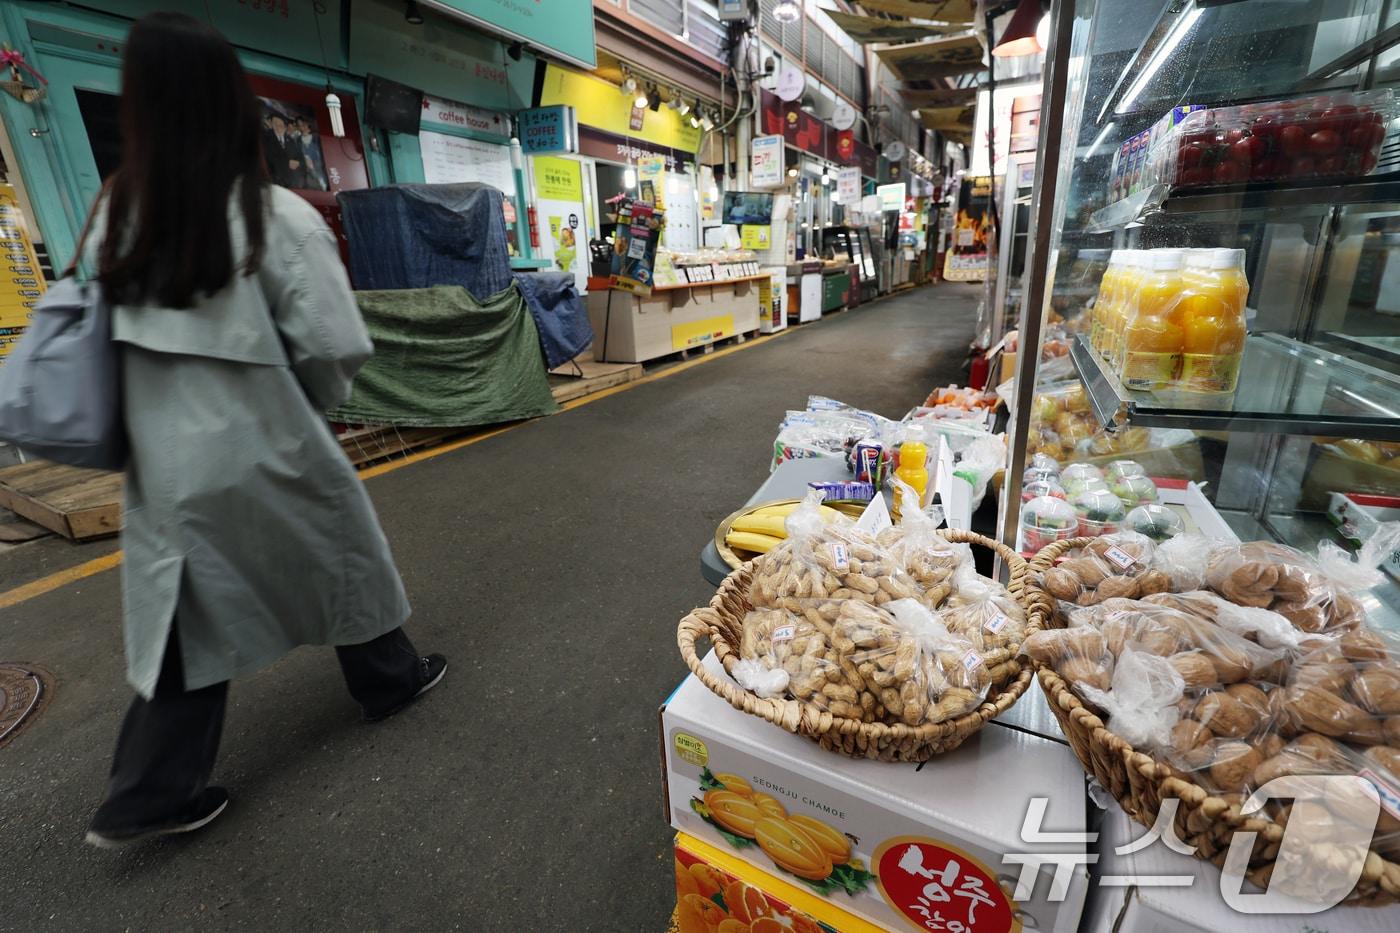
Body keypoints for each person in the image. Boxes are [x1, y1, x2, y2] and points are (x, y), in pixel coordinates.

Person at [81, 12, 445, 848]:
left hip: (162, 459)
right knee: (340, 552)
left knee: (186, 612)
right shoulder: (273, 215)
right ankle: (389, 681)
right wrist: (306, 405)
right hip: (266, 441)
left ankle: (147, 793)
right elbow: (332, 341)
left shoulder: (114, 214)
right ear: (231, 105)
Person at [261, 111, 306, 189]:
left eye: (281, 124)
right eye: (275, 124)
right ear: (271, 125)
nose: (278, 127)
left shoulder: (290, 140)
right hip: (273, 183)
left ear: (285, 127)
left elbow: (301, 158)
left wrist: (298, 163)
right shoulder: (266, 138)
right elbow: (268, 157)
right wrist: (286, 163)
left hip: (292, 185)